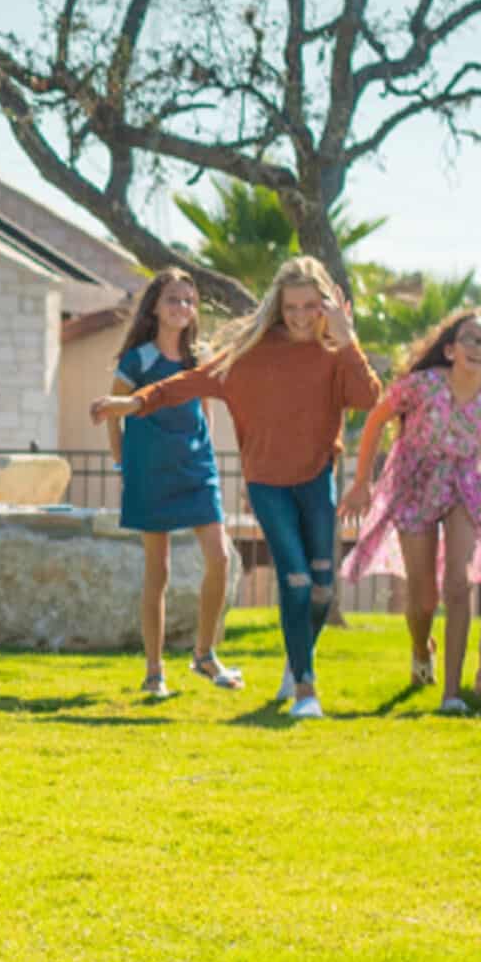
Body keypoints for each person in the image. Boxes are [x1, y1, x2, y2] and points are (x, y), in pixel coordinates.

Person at [92, 256, 380, 720]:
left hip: (315, 478)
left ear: (327, 305)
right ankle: (306, 690)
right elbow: (186, 384)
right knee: (296, 578)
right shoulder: (249, 355)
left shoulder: (334, 350)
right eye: (292, 307)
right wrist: (134, 402)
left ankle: (295, 659)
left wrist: (348, 342)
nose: (302, 316)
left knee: (323, 589)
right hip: (267, 483)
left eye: (311, 305)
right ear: (277, 307)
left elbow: (368, 399)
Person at [338, 307, 481, 714]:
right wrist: (363, 481)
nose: (479, 347)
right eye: (471, 339)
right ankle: (422, 648)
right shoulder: (422, 385)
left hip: (463, 485)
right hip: (413, 482)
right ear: (450, 349)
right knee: (421, 599)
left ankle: (452, 694)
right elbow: (377, 419)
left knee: (459, 586)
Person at [103, 269, 240, 697]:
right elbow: (115, 411)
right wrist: (122, 462)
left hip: (197, 470)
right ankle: (154, 671)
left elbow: (205, 409)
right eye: (173, 300)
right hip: (148, 471)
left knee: (219, 558)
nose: (182, 307)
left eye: (188, 300)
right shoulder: (138, 360)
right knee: (157, 571)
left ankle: (204, 654)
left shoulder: (199, 356)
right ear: (155, 308)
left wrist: (206, 453)